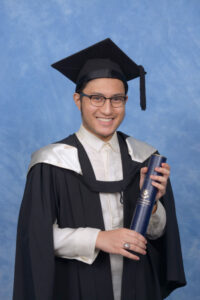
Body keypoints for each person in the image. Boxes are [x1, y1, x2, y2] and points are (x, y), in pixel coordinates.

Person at [13, 38, 186, 300]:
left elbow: (160, 237)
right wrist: (98, 239)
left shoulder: (146, 159)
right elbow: (35, 240)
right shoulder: (51, 162)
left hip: (137, 286)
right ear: (77, 100)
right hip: (75, 287)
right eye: (96, 98)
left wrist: (151, 205)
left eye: (117, 99)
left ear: (126, 101)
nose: (107, 109)